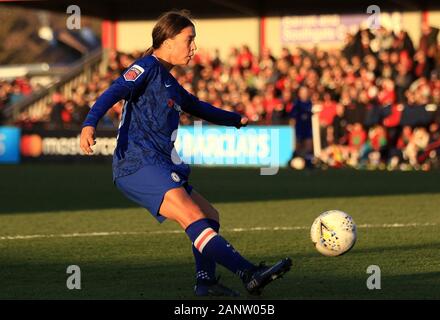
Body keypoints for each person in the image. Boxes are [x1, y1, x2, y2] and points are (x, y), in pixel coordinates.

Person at [79, 10, 292, 297]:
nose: (194, 48)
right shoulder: (146, 67)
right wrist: (89, 123)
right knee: (192, 215)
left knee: (209, 215)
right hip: (136, 163)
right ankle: (248, 272)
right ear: (167, 41)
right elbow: (114, 91)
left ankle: (205, 283)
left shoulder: (170, 82)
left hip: (158, 163)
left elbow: (198, 106)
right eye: (189, 40)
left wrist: (235, 119)